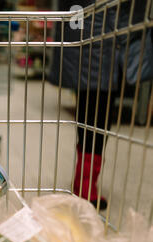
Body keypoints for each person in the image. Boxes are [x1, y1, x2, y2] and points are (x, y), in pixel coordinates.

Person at [49, 0, 153, 209]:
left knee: (93, 111)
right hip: (97, 29)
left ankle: (85, 180)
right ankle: (85, 182)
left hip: (99, 29)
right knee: (97, 113)